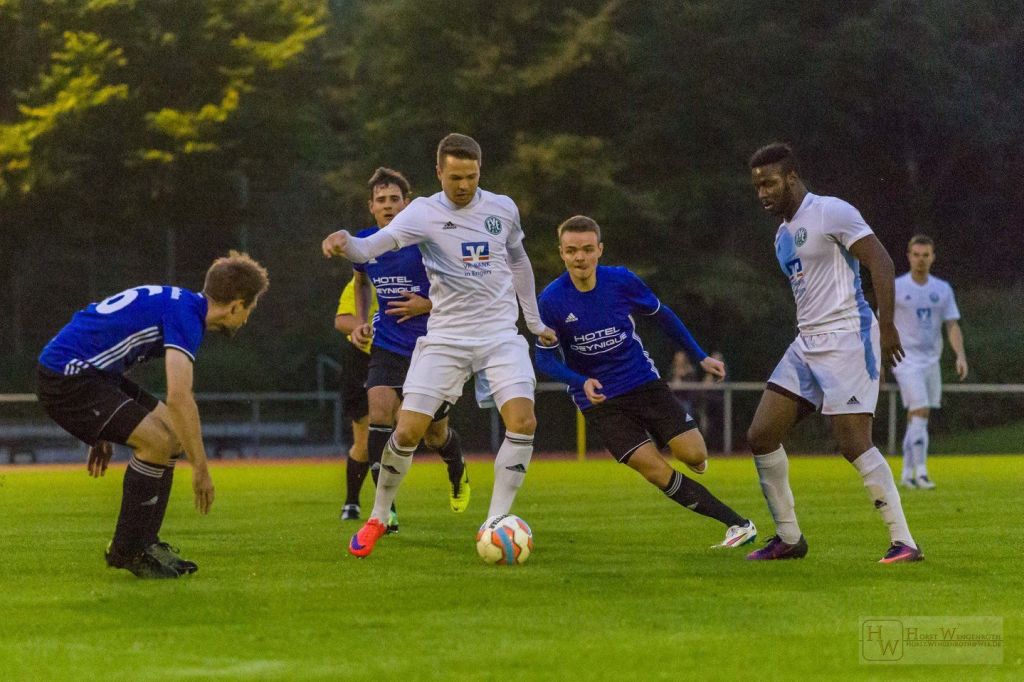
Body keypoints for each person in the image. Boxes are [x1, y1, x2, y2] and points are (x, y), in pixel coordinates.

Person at [322, 133, 555, 558]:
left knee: (523, 422)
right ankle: (378, 514)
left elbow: (519, 260)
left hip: (500, 336)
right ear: (438, 173)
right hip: (446, 337)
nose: (463, 185)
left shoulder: (503, 208)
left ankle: (495, 519)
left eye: (470, 176)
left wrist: (534, 320)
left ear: (480, 171)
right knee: (408, 430)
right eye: (454, 178)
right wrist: (345, 242)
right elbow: (370, 247)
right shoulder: (422, 212)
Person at [35, 251, 269, 578]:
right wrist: (201, 468)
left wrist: (101, 428)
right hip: (69, 377)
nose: (246, 318)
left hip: (92, 374)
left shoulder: (182, 304)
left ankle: (146, 543)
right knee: (159, 441)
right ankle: (128, 551)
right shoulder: (187, 318)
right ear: (235, 305)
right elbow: (179, 396)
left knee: (171, 437)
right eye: (250, 309)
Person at [745, 143, 921, 563]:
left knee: (853, 442)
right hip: (807, 342)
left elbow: (878, 259)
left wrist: (888, 324)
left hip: (847, 338)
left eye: (769, 183)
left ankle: (905, 542)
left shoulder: (830, 210)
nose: (762, 193)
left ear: (791, 177)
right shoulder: (781, 235)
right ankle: (789, 538)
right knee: (761, 435)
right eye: (756, 186)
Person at [535, 216, 757, 548]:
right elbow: (543, 358)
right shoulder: (551, 301)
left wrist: (699, 356)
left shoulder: (621, 281)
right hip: (599, 402)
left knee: (694, 455)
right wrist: (579, 381)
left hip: (641, 383)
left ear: (599, 250)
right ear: (561, 254)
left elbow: (663, 316)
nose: (579, 257)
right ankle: (738, 525)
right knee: (655, 471)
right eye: (571, 251)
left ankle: (695, 458)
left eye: (586, 249)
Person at [350, 167, 470, 532]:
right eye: (381, 201)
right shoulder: (365, 244)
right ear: (371, 207)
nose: (388, 206)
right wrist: (360, 319)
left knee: (433, 436)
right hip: (388, 344)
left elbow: (466, 289)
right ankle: (386, 511)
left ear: (407, 203)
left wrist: (425, 305)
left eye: (394, 199)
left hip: (434, 345)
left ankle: (456, 468)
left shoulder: (429, 242)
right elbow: (360, 281)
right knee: (380, 412)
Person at [892, 234, 968, 490]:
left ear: (933, 257)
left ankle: (905, 473)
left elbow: (952, 325)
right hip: (905, 358)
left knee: (918, 415)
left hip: (931, 360)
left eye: (925, 255)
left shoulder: (942, 289)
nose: (921, 260)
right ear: (909, 256)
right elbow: (882, 324)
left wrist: (960, 355)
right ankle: (921, 472)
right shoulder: (897, 288)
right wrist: (880, 359)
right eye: (916, 255)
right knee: (921, 409)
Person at [334, 276, 377, 520]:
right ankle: (352, 502)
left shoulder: (415, 275)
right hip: (364, 360)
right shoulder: (362, 282)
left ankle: (385, 505)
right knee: (366, 440)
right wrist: (365, 326)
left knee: (400, 434)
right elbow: (341, 320)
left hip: (402, 357)